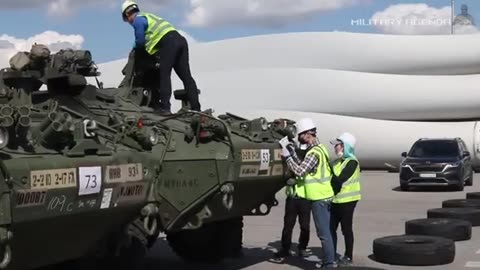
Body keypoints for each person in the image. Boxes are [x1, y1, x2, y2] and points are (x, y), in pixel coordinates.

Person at [121, 0, 201, 114]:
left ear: (127, 14)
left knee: (164, 73)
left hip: (169, 42)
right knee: (186, 76)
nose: (127, 21)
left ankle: (165, 108)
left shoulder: (137, 20)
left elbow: (140, 41)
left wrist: (136, 49)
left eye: (125, 19)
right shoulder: (148, 16)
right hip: (180, 40)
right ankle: (196, 108)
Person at [280, 118, 336, 269]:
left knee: (323, 235)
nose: (299, 138)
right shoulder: (321, 148)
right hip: (324, 196)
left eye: (300, 135)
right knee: (325, 233)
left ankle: (328, 264)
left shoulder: (313, 153)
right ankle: (329, 262)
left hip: (319, 198)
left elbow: (299, 171)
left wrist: (287, 156)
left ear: (307, 134)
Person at [274, 143, 312, 259]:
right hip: (292, 198)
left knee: (305, 226)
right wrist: (288, 179)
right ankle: (285, 248)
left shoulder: (308, 163)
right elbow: (285, 174)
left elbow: (305, 174)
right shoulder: (292, 164)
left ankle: (302, 247)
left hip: (305, 198)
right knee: (288, 225)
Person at [329, 132, 361, 267]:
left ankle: (348, 256)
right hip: (335, 200)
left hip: (348, 201)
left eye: (337, 145)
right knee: (331, 229)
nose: (335, 148)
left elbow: (339, 180)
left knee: (346, 229)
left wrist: (329, 178)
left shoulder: (352, 162)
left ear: (344, 146)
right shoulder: (336, 162)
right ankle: (332, 254)